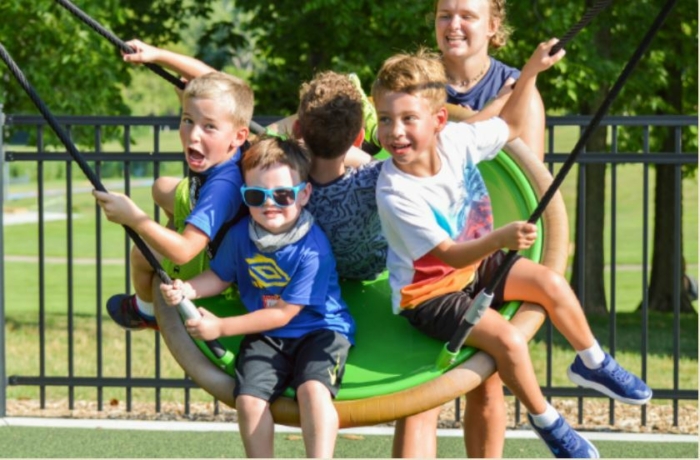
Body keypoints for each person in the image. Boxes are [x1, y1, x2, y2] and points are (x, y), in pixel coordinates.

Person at [372, 41, 652, 458]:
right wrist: (501, 239)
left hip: (475, 267)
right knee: (508, 338)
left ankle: (591, 361)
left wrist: (530, 74)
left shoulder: (458, 142)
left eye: (408, 118)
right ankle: (548, 421)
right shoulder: (395, 190)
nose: (395, 131)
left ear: (439, 121)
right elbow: (449, 254)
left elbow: (514, 126)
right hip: (430, 296)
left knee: (548, 282)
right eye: (385, 119)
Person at [159, 137, 355, 458]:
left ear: (303, 194)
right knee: (248, 400)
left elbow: (283, 314)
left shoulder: (312, 248)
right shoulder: (241, 235)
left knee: (313, 391)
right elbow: (220, 276)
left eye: (282, 194)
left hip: (321, 331)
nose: (269, 204)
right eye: (256, 195)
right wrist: (188, 289)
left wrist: (221, 328)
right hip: (267, 336)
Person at [93, 70, 253, 330]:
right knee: (161, 187)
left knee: (141, 254)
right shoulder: (225, 149)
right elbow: (217, 89)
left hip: (218, 261)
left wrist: (135, 218)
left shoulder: (223, 188)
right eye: (188, 120)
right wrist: (157, 57)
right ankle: (178, 226)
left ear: (238, 136)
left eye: (209, 126)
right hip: (204, 208)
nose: (193, 135)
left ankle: (145, 312)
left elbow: (184, 251)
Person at [295, 71, 386, 280]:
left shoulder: (289, 181)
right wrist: (362, 157)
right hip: (371, 267)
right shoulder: (373, 179)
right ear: (359, 138)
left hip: (317, 271)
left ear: (298, 130)